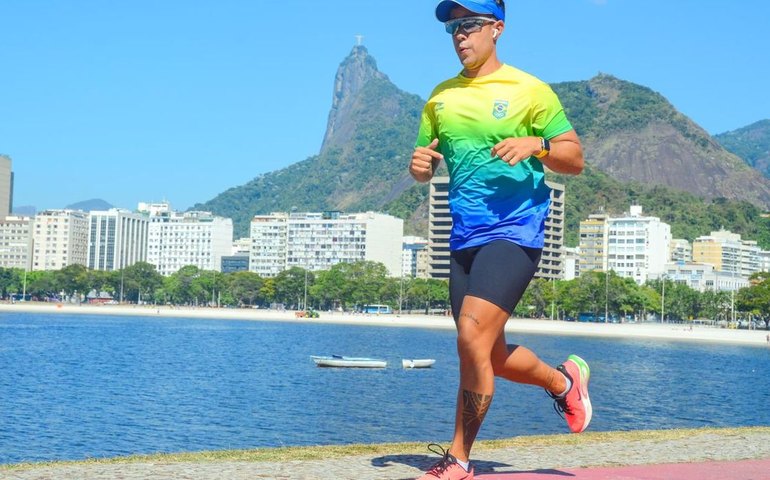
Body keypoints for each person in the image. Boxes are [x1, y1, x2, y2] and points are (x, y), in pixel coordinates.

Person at [409, 1, 591, 478]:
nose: (459, 35)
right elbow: (425, 163)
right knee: (485, 350)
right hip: (463, 235)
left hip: (516, 229)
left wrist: (540, 145)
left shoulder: (530, 90)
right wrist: (420, 169)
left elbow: (575, 157)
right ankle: (563, 382)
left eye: (468, 25)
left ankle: (459, 459)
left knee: (471, 336)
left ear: (497, 29)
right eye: (452, 28)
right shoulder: (440, 98)